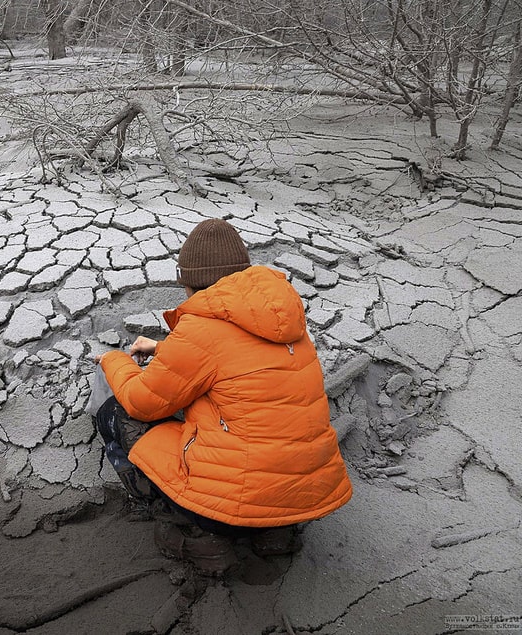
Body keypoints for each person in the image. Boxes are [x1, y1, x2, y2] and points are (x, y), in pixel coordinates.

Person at [92, 218, 353, 576]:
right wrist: (164, 349)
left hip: (236, 503)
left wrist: (114, 360)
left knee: (116, 413)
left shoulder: (200, 327)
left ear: (190, 283)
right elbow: (237, 360)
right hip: (304, 496)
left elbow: (142, 401)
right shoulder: (286, 319)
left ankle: (197, 531)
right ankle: (275, 533)